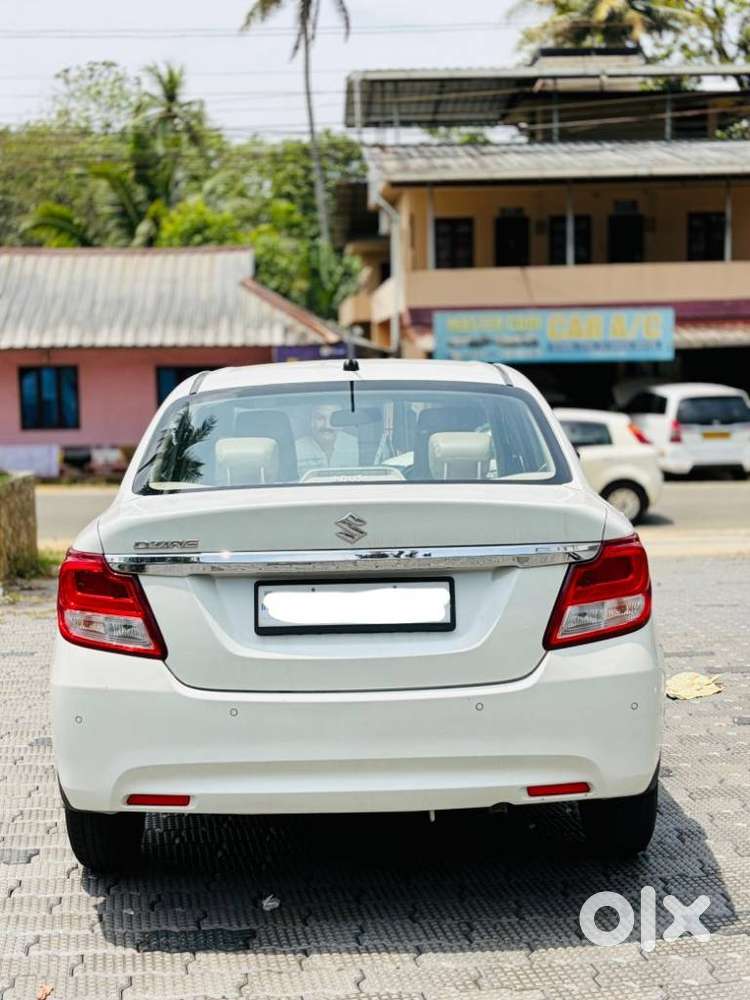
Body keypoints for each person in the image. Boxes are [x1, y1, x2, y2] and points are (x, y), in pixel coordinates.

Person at [296, 404, 359, 477]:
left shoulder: (356, 446)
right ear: (312, 422)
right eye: (320, 418)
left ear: (342, 424)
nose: (327, 426)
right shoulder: (296, 449)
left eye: (333, 418)